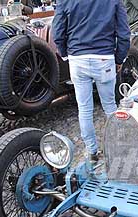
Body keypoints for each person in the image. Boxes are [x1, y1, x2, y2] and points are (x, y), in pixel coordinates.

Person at [52, 0, 130, 169]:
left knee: (84, 108)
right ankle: (118, 149)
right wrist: (119, 58)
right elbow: (124, 34)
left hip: (77, 58)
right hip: (104, 56)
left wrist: (66, 54)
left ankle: (92, 152)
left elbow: (57, 33)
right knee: (110, 106)